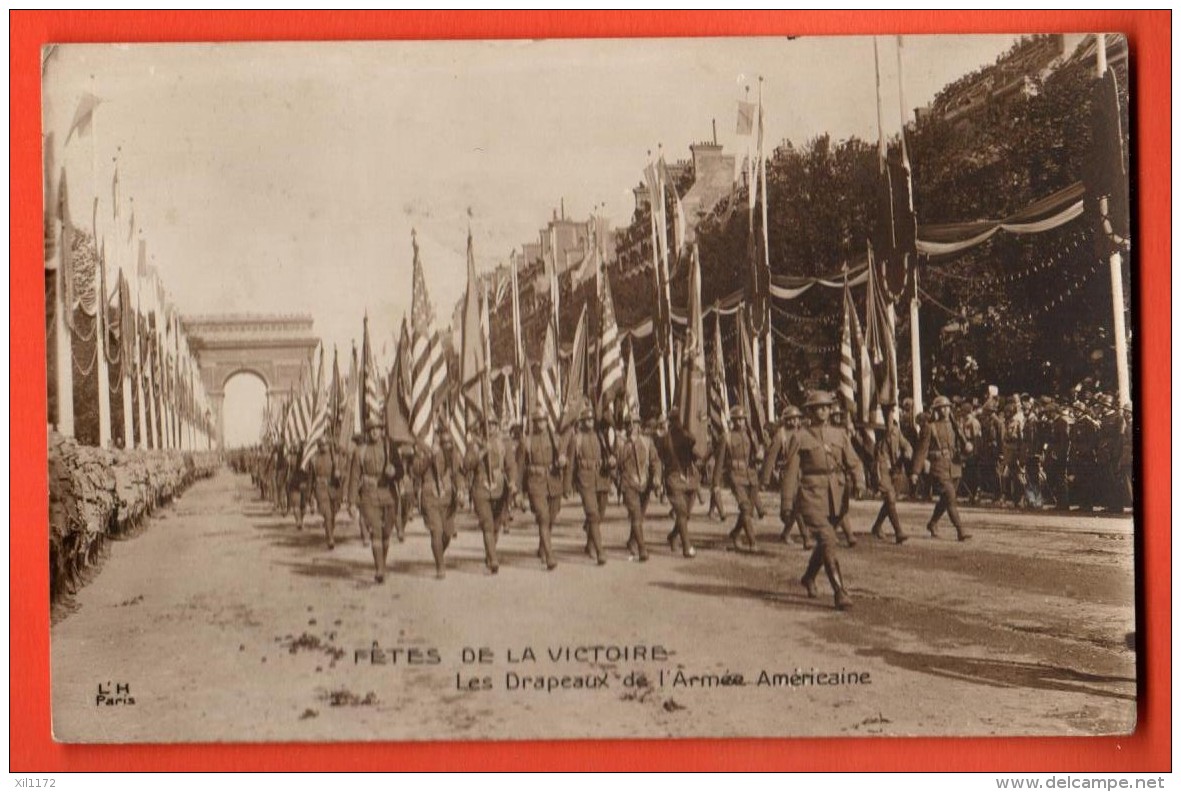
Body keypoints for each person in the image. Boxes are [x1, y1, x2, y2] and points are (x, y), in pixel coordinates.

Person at [781, 390, 864, 611]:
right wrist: (787, 504)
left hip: (837, 496)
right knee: (828, 538)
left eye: (827, 406)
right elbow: (790, 472)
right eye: (819, 407)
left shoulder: (840, 435)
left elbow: (854, 461)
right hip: (811, 495)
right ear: (809, 410)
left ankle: (809, 577)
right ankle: (840, 591)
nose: (824, 411)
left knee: (825, 543)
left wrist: (859, 481)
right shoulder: (799, 437)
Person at [347, 418, 402, 583]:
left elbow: (401, 470)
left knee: (386, 532)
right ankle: (379, 569)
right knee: (376, 531)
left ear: (382, 430)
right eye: (371, 429)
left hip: (389, 494)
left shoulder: (390, 448)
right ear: (367, 432)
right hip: (369, 494)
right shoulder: (360, 451)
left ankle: (382, 563)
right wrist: (351, 502)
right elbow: (354, 477)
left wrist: (395, 472)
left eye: (377, 428)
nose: (374, 432)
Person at [911, 395, 973, 541]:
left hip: (955, 465)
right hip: (939, 466)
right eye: (941, 408)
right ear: (936, 411)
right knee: (950, 497)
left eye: (947, 408)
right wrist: (915, 471)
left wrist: (967, 448)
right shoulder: (930, 427)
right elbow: (922, 450)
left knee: (946, 499)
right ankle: (960, 530)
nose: (945, 411)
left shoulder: (955, 425)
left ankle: (932, 523)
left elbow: (962, 445)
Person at [465, 415, 517, 574]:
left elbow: (510, 464)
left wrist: (513, 482)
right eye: (487, 425)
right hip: (481, 487)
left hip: (500, 487)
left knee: (496, 525)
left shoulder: (504, 443)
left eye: (493, 424)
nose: (491, 428)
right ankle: (493, 559)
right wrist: (481, 452)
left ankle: (490, 553)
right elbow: (467, 464)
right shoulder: (474, 443)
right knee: (487, 524)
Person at [413, 423, 464, 579]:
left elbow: (457, 474)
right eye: (443, 442)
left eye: (449, 442)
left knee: (447, 533)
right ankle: (440, 567)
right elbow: (417, 470)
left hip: (448, 498)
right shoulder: (423, 452)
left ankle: (438, 552)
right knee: (437, 531)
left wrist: (461, 489)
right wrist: (429, 457)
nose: (447, 445)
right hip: (430, 496)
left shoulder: (453, 454)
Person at [518, 408, 566, 570]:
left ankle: (542, 546)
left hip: (553, 482)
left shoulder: (556, 440)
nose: (541, 424)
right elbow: (519, 468)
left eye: (544, 420)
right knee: (543, 517)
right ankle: (550, 555)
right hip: (535, 483)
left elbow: (563, 459)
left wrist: (562, 461)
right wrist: (518, 492)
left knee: (551, 517)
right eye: (538, 421)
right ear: (534, 423)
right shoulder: (527, 441)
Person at [565, 405, 613, 565]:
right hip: (585, 479)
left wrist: (611, 462)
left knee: (600, 514)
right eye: (587, 420)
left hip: (601, 478)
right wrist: (567, 485)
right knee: (592, 514)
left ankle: (590, 543)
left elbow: (608, 455)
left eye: (592, 419)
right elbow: (571, 463)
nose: (590, 422)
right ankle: (600, 551)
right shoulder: (576, 439)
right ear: (582, 422)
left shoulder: (600, 436)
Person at [653, 413, 706, 558]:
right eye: (673, 421)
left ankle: (672, 536)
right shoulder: (663, 440)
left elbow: (695, 451)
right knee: (682, 513)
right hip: (674, 479)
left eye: (678, 421)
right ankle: (687, 547)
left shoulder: (686, 438)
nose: (676, 424)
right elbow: (657, 457)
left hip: (689, 480)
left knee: (686, 514)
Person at [713, 406, 761, 552]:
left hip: (751, 475)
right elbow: (719, 461)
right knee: (745, 508)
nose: (740, 422)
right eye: (737, 420)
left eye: (742, 419)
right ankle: (752, 542)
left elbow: (756, 454)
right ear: (732, 421)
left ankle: (735, 533)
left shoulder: (751, 435)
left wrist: (759, 456)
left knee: (748, 511)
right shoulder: (726, 438)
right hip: (735, 476)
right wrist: (715, 483)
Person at [615, 408, 661, 562]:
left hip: (645, 483)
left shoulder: (648, 442)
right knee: (635, 515)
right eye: (628, 424)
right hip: (628, 484)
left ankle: (632, 541)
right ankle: (642, 549)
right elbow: (616, 465)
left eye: (634, 424)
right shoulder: (621, 443)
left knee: (639, 516)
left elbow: (655, 462)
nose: (631, 427)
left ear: (639, 426)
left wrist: (657, 478)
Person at [762, 405, 809, 548]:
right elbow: (771, 457)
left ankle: (787, 533)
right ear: (785, 420)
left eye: (796, 419)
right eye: (791, 419)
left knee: (799, 506)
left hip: (802, 474)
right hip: (787, 474)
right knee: (795, 506)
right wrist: (766, 479)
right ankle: (806, 537)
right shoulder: (780, 435)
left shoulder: (803, 433)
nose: (794, 422)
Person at [867, 401, 911, 544]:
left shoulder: (896, 431)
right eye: (887, 412)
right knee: (890, 498)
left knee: (890, 501)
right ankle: (899, 532)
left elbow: (905, 444)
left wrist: (907, 451)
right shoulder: (877, 430)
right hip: (881, 468)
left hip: (895, 468)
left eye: (892, 412)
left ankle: (876, 526)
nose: (890, 415)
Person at [308, 437, 343, 549]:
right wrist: (309, 494)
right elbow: (311, 478)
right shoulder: (313, 459)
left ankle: (330, 530)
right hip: (320, 487)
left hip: (334, 488)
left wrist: (339, 474)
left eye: (326, 444)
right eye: (321, 445)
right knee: (327, 514)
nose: (324, 447)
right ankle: (330, 538)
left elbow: (345, 473)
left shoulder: (336, 458)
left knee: (333, 513)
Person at [286, 445, 310, 530]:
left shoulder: (307, 459)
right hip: (295, 483)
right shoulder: (292, 459)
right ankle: (299, 522)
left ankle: (300, 521)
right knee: (298, 505)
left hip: (301, 483)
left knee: (302, 506)